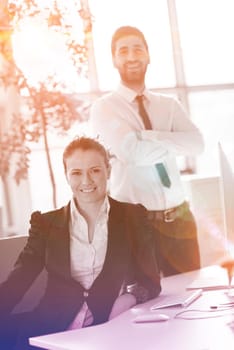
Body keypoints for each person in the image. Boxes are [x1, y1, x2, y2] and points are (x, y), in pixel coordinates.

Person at [0, 136, 161, 350]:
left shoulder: (132, 217)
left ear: (108, 171)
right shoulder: (46, 223)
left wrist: (128, 299)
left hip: (109, 329)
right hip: (49, 330)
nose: (86, 181)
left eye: (95, 170)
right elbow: (20, 278)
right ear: (66, 176)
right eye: (76, 172)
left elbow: (151, 281)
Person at [90, 25, 205, 277]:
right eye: (123, 51)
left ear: (148, 55)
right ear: (114, 59)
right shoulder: (104, 108)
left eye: (137, 49)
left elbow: (197, 144)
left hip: (181, 220)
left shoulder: (169, 105)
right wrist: (173, 141)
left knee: (192, 298)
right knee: (142, 301)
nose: (131, 56)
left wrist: (149, 136)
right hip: (135, 225)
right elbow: (133, 154)